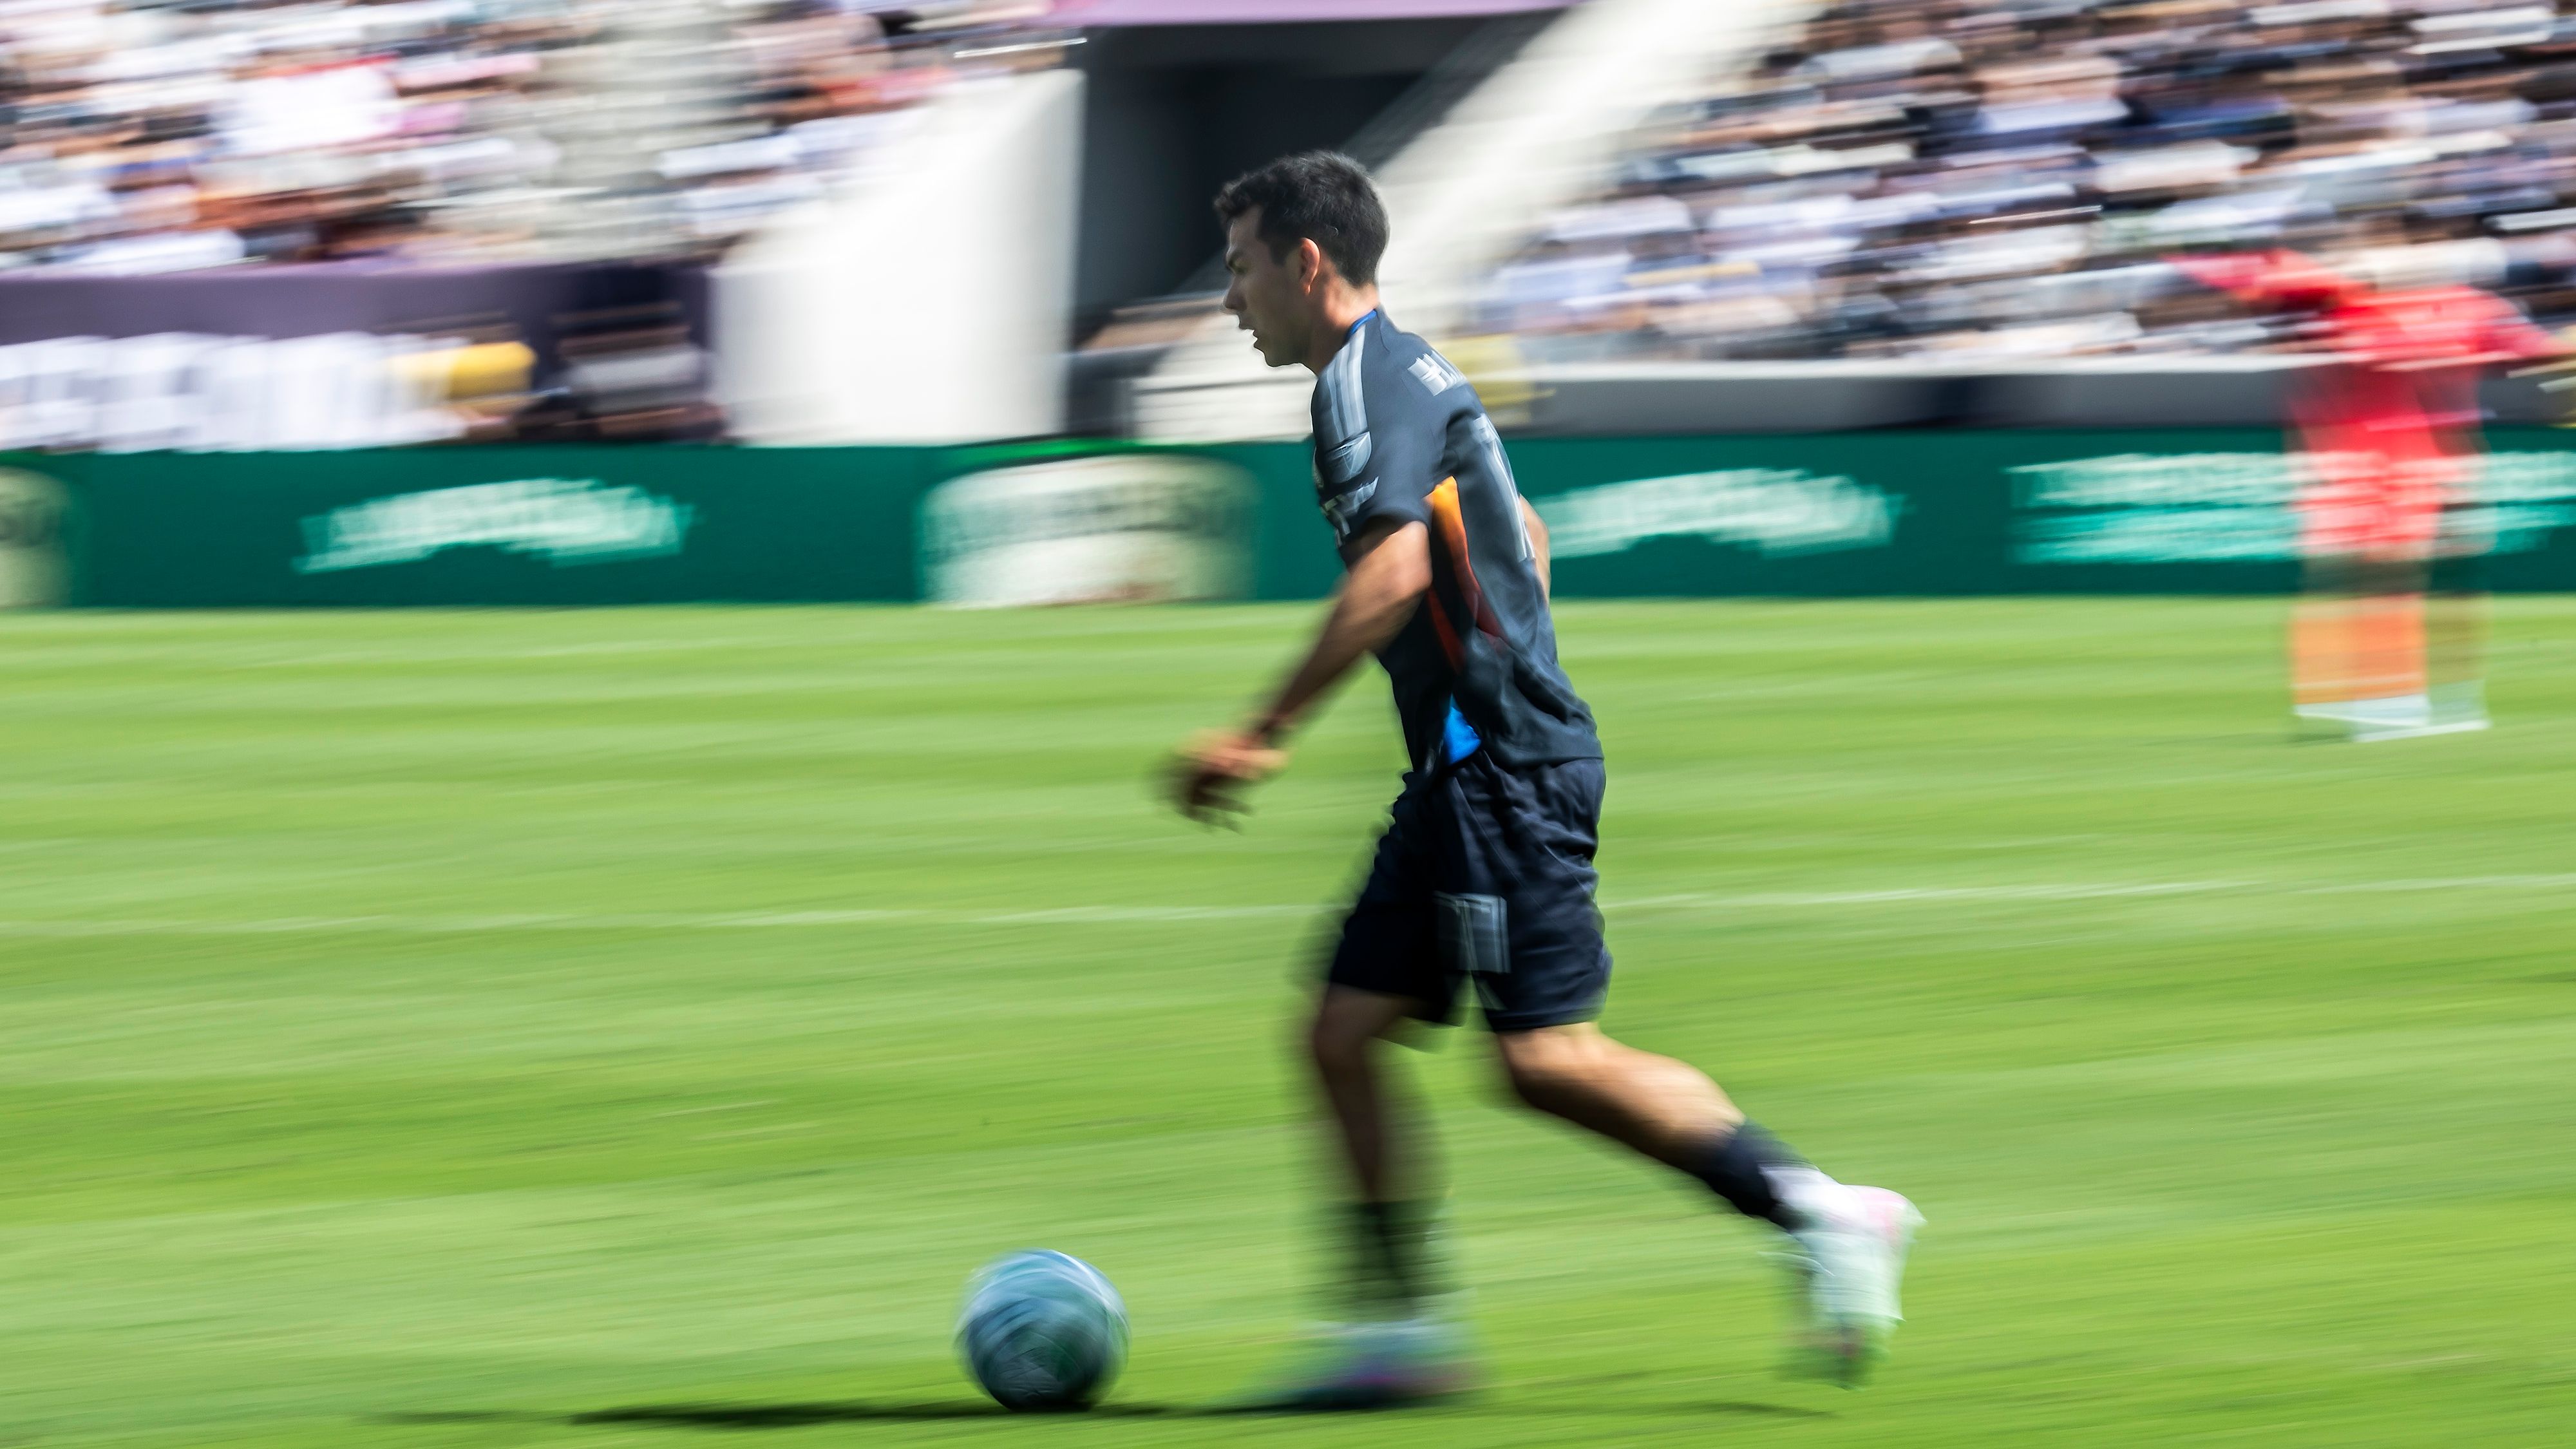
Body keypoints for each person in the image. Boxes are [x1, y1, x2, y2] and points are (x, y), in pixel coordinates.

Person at [1166, 151, 1920, 1405]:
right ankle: (1401, 1341)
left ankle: (1822, 1211)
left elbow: (1395, 573)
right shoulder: (1409, 368)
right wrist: (1505, 645)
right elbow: (1521, 531)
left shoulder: (1360, 382)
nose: (1231, 299)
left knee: (1547, 1060)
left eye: (1240, 269)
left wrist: (1261, 730)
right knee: (1339, 1032)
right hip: (1468, 768)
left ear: (1306, 263)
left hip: (1497, 773)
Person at [2170, 249, 2560, 740]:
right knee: (2415, 585)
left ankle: (2402, 702)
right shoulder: (2447, 307)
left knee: (2388, 584)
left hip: (2391, 463)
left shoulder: (2371, 310)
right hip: (2417, 462)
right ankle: (2409, 702)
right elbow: (2541, 354)